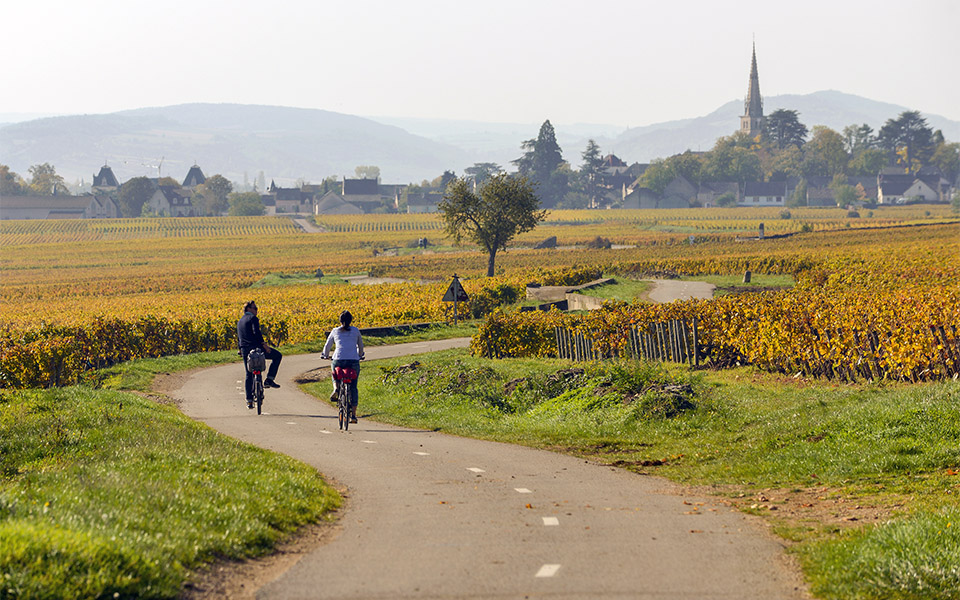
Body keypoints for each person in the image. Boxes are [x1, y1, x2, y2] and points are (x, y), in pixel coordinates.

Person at [321, 310, 365, 423]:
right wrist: (360, 355)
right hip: (353, 360)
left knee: (335, 374)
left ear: (340, 321)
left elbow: (328, 345)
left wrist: (325, 355)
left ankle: (336, 388)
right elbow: (360, 345)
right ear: (351, 320)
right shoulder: (355, 330)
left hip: (338, 358)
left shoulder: (335, 331)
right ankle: (354, 415)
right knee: (353, 387)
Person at [237, 300, 282, 408]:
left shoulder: (240, 321)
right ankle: (269, 380)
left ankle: (249, 400)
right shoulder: (253, 318)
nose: (256, 310)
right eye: (255, 308)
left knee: (249, 373)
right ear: (248, 309)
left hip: (245, 349)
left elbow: (239, 337)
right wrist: (264, 345)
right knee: (277, 356)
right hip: (256, 347)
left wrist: (240, 349)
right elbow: (256, 332)